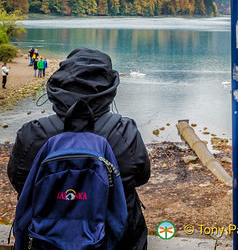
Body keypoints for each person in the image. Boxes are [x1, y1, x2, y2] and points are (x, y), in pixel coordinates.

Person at [8, 47, 150, 249]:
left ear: (57, 88)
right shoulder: (124, 132)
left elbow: (19, 181)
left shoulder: (32, 134)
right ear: (109, 90)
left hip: (45, 239)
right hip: (115, 240)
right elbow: (141, 177)